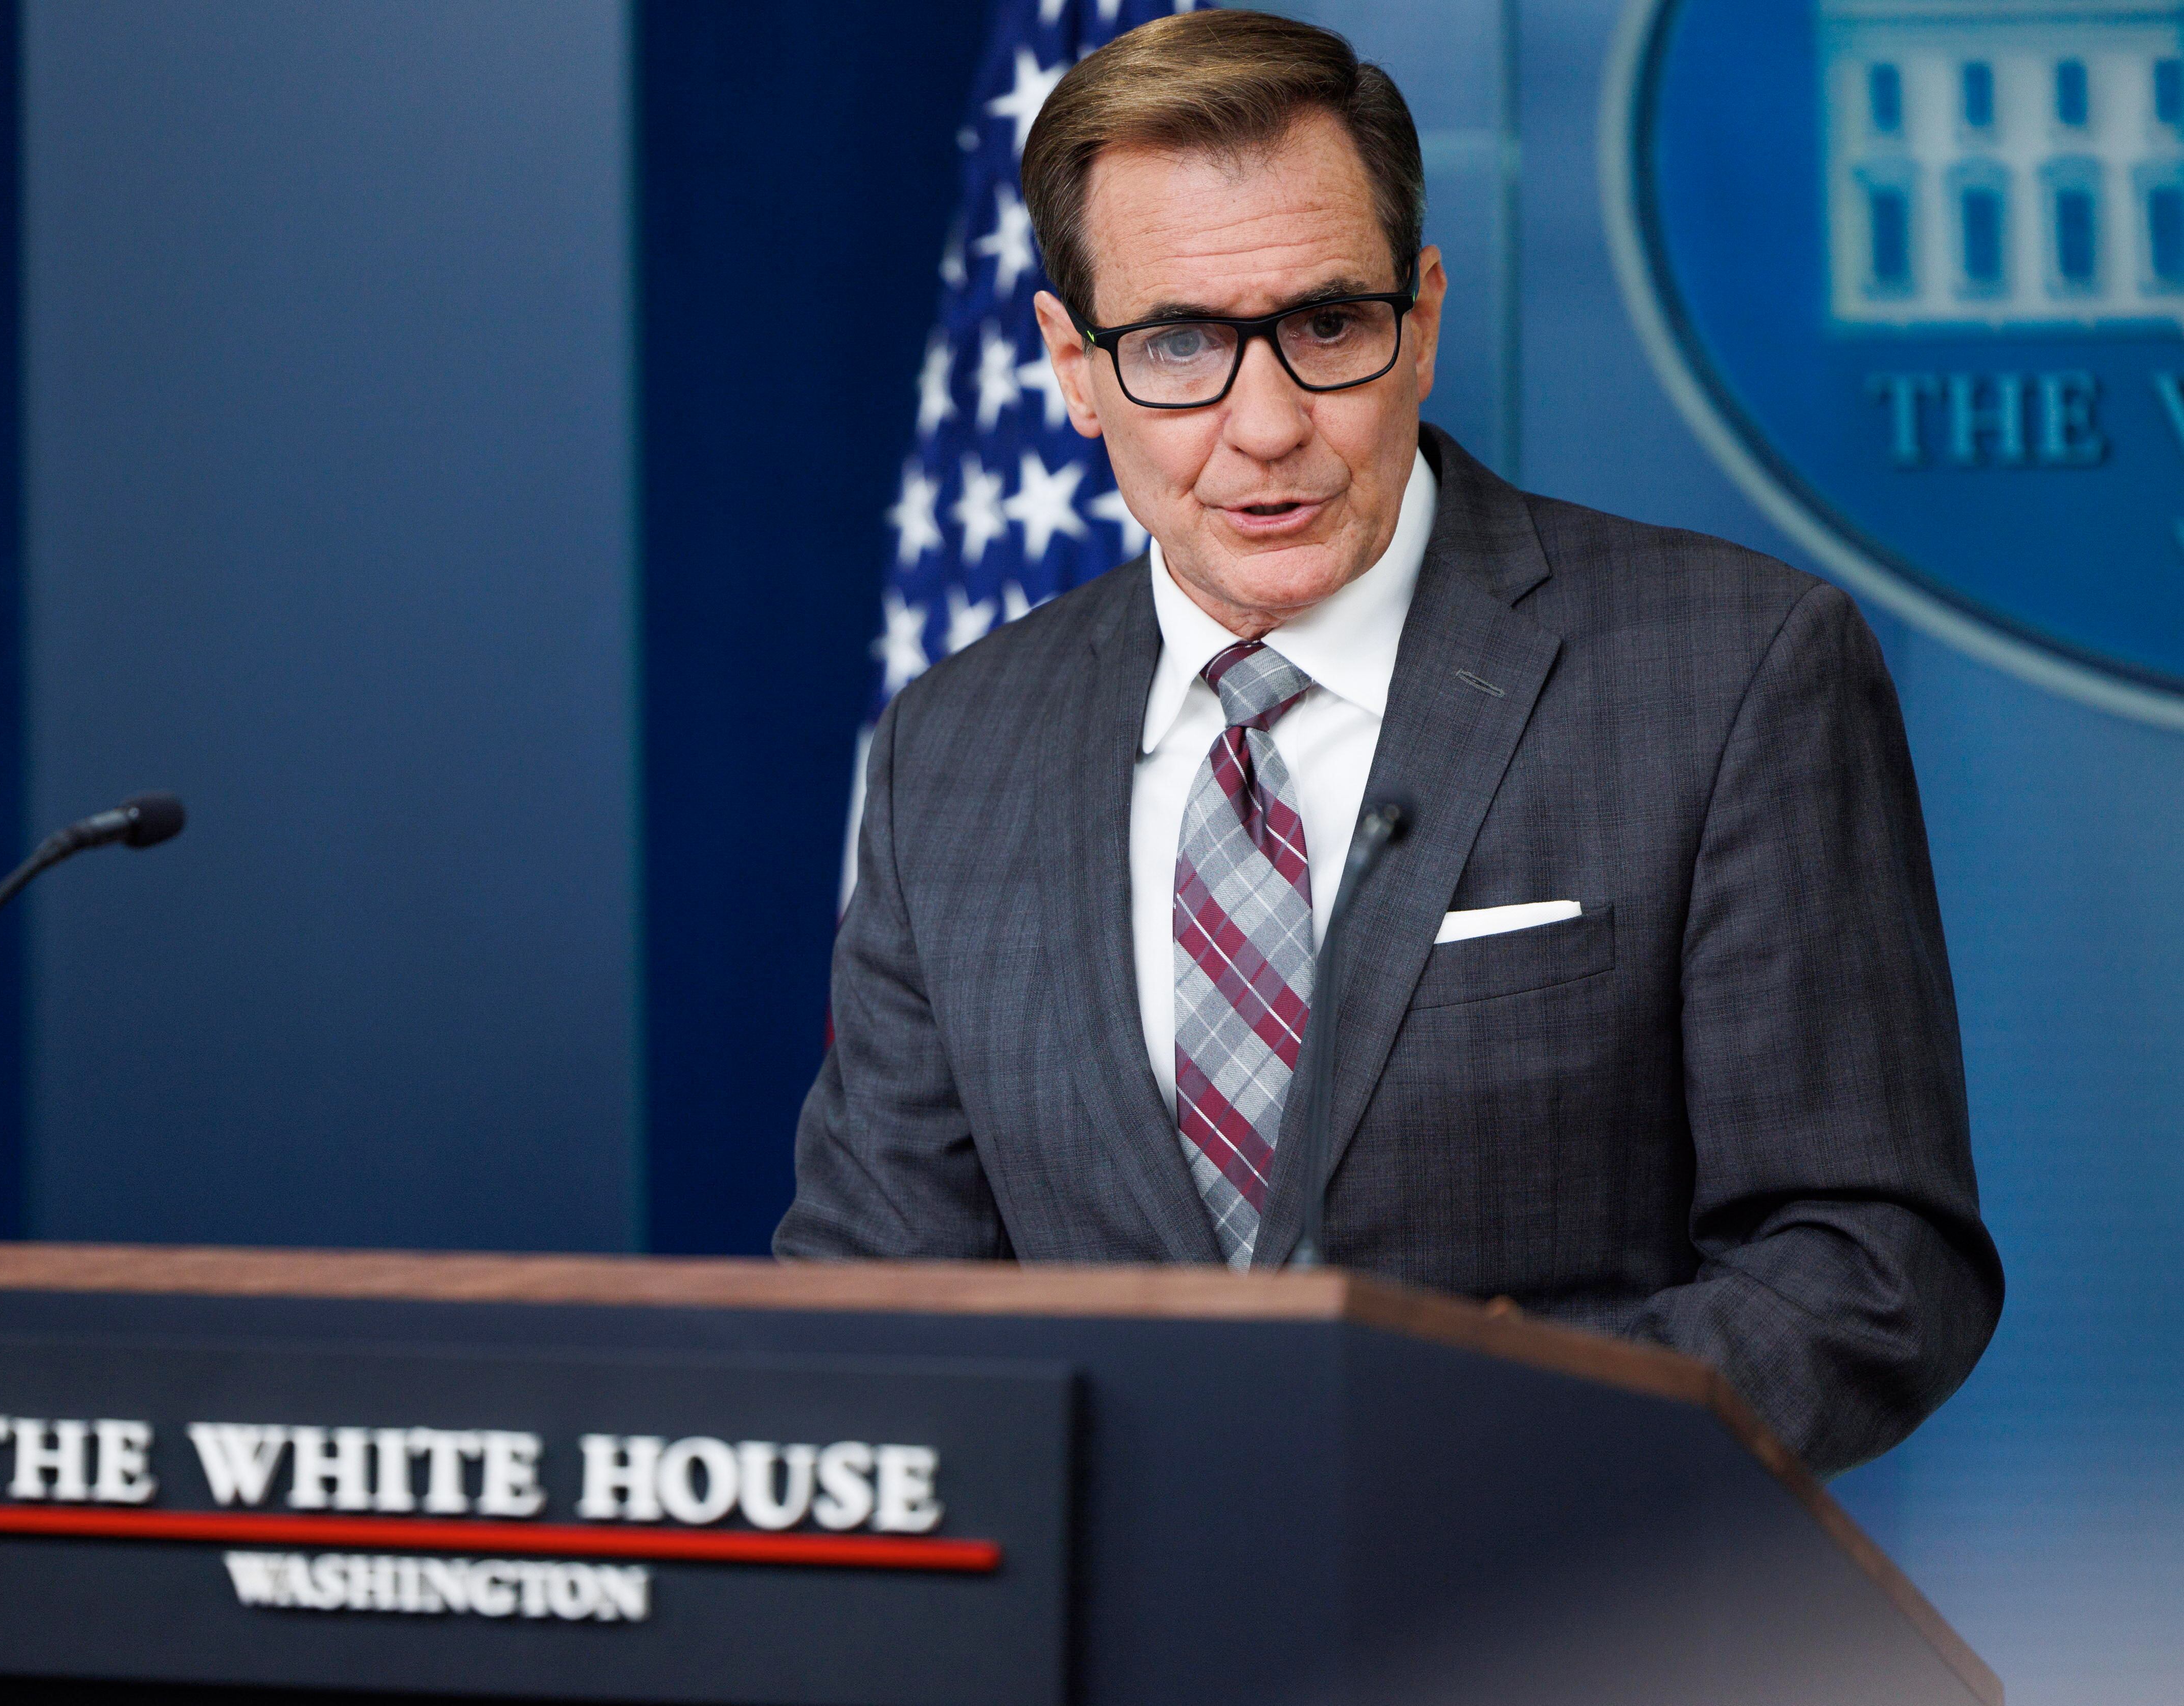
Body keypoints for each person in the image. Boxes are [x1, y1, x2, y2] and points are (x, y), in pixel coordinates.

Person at [774, 9, 2000, 1476]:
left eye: (1327, 327)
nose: (1267, 424)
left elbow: (1867, 1266)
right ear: (1073, 364)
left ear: (1420, 319)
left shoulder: (1734, 671)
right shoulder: (953, 749)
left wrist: (1461, 1458)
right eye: (1177, 344)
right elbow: (875, 1303)